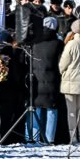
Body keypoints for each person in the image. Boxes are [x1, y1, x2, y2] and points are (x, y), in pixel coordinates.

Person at [28, 16, 63, 144]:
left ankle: (34, 136)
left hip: (37, 79)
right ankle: (49, 138)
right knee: (51, 109)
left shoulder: (35, 42)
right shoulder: (58, 43)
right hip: (51, 80)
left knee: (37, 108)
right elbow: (60, 63)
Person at [59, 19, 80, 144]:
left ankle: (73, 137)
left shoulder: (71, 44)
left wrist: (62, 71)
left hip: (70, 81)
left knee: (71, 111)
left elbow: (63, 64)